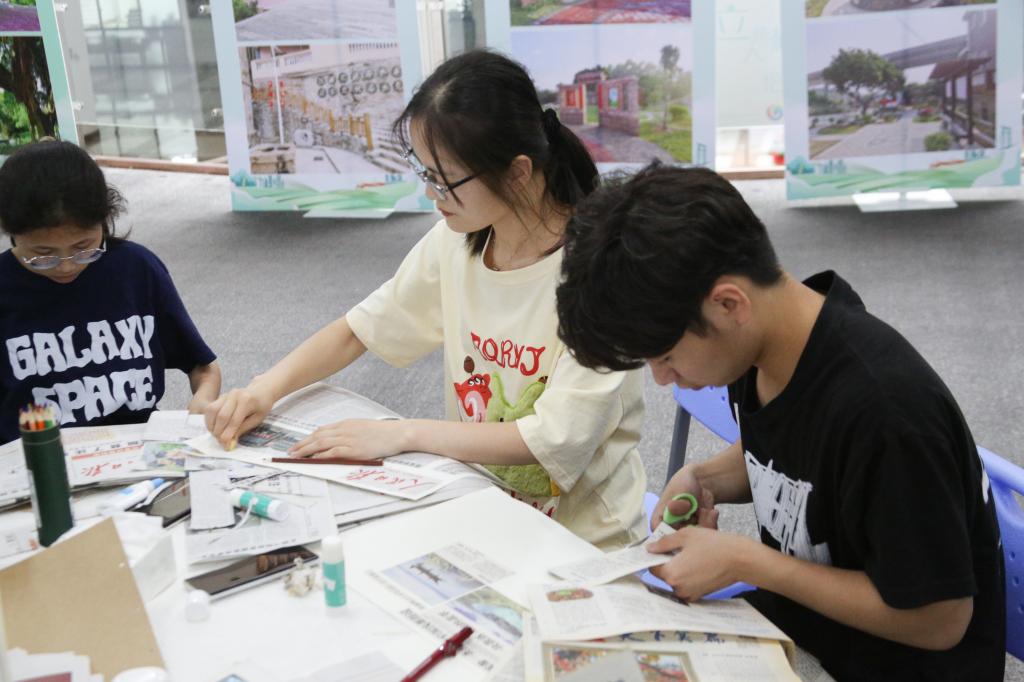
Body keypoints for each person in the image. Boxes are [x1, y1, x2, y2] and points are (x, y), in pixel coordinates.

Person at [554, 162, 1004, 679]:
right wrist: (707, 477)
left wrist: (747, 561)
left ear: (728, 304)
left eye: (666, 357)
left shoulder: (887, 413)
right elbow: (805, 453)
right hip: (808, 632)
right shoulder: (766, 348)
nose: (662, 379)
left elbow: (940, 620)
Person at [204, 50, 647, 549]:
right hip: (482, 505)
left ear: (518, 172)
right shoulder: (459, 240)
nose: (432, 196)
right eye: (424, 172)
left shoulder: (599, 271)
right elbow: (359, 329)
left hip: (585, 538)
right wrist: (264, 390)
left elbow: (549, 438)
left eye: (445, 180)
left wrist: (402, 433)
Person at [0, 140, 221, 444]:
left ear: (105, 221)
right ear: (10, 231)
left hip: (136, 450)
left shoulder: (136, 269)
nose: (66, 266)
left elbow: (203, 367)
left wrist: (203, 402)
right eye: (43, 254)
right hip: (38, 457)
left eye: (84, 247)